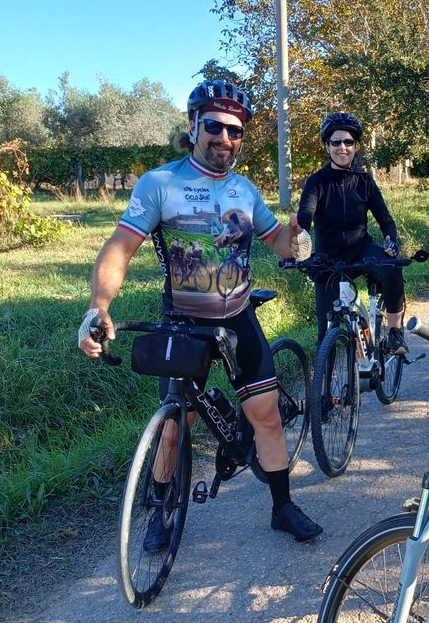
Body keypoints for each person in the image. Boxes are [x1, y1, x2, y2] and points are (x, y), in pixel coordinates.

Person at [78, 79, 322, 544]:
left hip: (238, 317)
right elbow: (119, 248)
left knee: (266, 415)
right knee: (175, 424)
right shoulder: (161, 183)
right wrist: (98, 306)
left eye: (236, 131)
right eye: (214, 126)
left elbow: (280, 245)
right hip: (184, 321)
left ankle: (283, 507)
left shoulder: (245, 191)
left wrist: (298, 239)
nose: (225, 138)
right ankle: (161, 512)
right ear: (193, 126)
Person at [297, 112, 407, 352]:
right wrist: (298, 244)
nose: (342, 148)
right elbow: (304, 216)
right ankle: (325, 389)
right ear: (327, 146)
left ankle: (396, 333)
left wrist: (391, 242)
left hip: (362, 251)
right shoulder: (316, 181)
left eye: (348, 142)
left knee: (392, 267)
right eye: (336, 142)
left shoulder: (364, 180)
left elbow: (385, 220)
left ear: (356, 147)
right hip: (328, 259)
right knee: (325, 335)